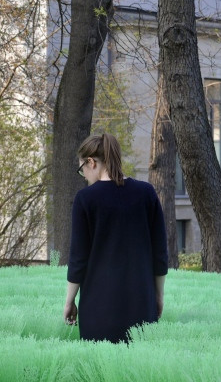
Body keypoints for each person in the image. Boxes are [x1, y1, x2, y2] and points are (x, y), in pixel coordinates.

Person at [63, 133, 168, 343]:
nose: (83, 175)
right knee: (139, 371)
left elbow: (78, 258)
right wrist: (158, 296)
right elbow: (160, 254)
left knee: (100, 371)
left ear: (91, 162)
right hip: (141, 302)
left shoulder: (86, 199)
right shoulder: (146, 193)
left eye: (81, 168)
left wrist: (69, 301)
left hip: (98, 307)